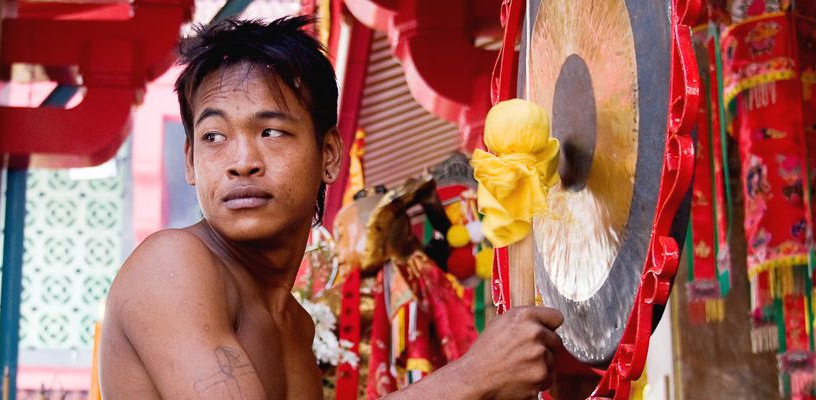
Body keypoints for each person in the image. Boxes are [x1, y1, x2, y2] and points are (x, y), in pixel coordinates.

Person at [100, 16, 564, 399]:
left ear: (328, 155)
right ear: (190, 161)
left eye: (271, 132)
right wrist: (471, 378)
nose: (241, 163)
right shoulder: (173, 266)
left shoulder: (295, 326)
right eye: (214, 137)